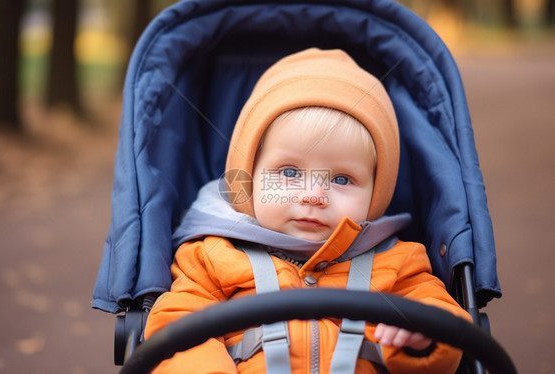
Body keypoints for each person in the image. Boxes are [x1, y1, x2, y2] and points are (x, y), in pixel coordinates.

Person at [144, 48, 471, 373]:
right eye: (289, 173)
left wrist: (426, 338)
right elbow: (176, 330)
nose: (314, 195)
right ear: (250, 176)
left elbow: (444, 319)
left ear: (377, 191)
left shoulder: (399, 264)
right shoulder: (211, 257)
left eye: (342, 179)